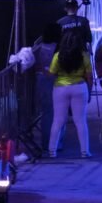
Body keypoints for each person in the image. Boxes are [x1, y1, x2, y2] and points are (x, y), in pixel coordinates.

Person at [47, 30, 92, 159]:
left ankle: (52, 151)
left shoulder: (58, 56)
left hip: (60, 88)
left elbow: (51, 73)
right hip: (79, 87)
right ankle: (85, 151)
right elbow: (89, 77)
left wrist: (43, 70)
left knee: (58, 120)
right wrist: (88, 92)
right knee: (80, 120)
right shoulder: (84, 56)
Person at [32, 23, 62, 152]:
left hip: (41, 79)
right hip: (56, 79)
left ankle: (45, 142)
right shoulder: (58, 48)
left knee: (46, 112)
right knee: (59, 112)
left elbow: (33, 61)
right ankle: (56, 142)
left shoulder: (39, 47)